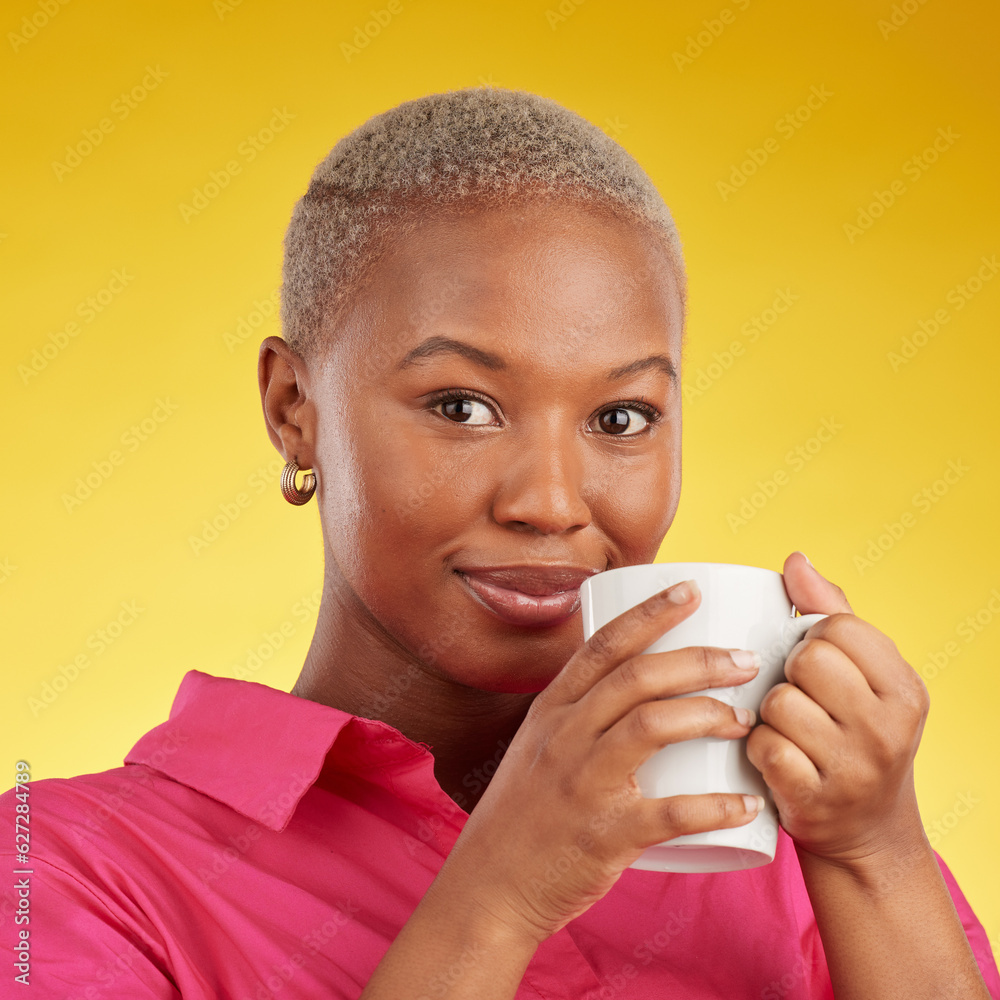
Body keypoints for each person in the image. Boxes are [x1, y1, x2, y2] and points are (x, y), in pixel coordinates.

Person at [3, 86, 997, 1000]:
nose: (551, 502)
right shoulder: (62, 871)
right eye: (462, 405)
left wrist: (876, 855)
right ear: (293, 407)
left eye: (620, 419)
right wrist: (505, 891)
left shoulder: (795, 853)